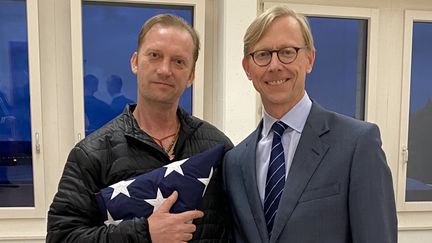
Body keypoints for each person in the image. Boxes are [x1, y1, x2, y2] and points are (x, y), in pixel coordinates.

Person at [47, 14, 233, 242]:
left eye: (179, 61)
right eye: (155, 56)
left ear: (191, 75)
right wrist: (144, 233)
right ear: (135, 62)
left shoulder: (218, 147)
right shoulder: (91, 154)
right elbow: (62, 237)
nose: (165, 70)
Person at [223, 6, 397, 243]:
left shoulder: (357, 144)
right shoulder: (234, 162)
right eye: (263, 54)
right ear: (247, 68)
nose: (274, 65)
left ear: (309, 59)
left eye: (287, 52)